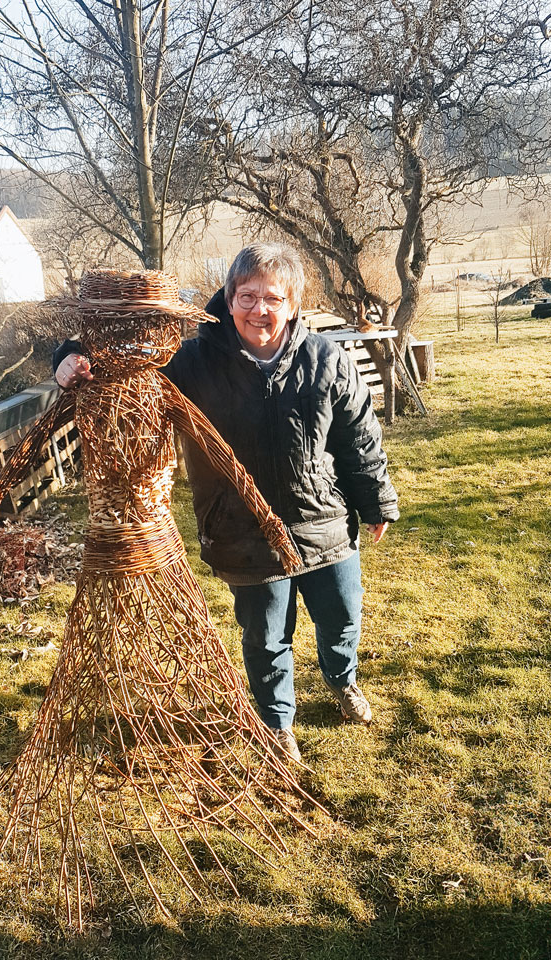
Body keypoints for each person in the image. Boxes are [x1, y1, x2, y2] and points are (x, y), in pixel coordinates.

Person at [53, 244, 399, 763]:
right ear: (230, 299)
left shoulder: (326, 360)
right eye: (247, 296)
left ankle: (341, 679)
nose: (260, 310)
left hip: (323, 523)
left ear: (293, 304)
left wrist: (376, 501)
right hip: (242, 532)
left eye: (273, 298)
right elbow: (118, 357)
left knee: (342, 619)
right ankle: (278, 722)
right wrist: (67, 358)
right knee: (266, 638)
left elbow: (359, 439)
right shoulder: (191, 362)